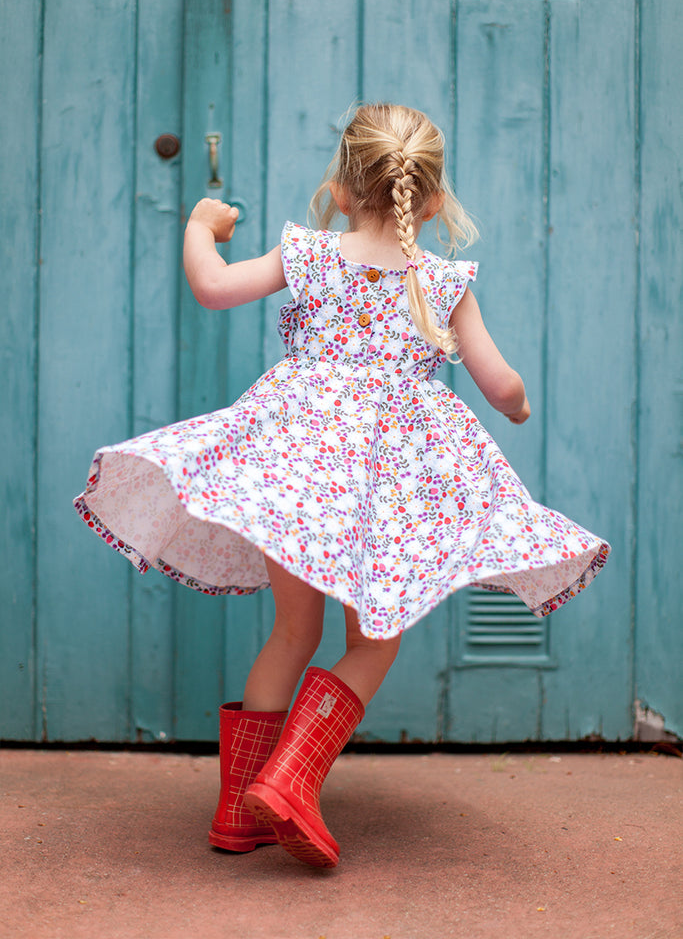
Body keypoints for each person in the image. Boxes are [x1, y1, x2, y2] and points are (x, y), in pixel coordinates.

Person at [74, 103, 609, 869]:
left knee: (292, 633)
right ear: (429, 199)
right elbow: (499, 386)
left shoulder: (307, 253)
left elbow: (214, 288)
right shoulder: (443, 280)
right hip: (390, 495)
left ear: (341, 185)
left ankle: (237, 812)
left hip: (299, 474)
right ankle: (291, 779)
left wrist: (199, 224)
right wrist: (519, 401)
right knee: (372, 639)